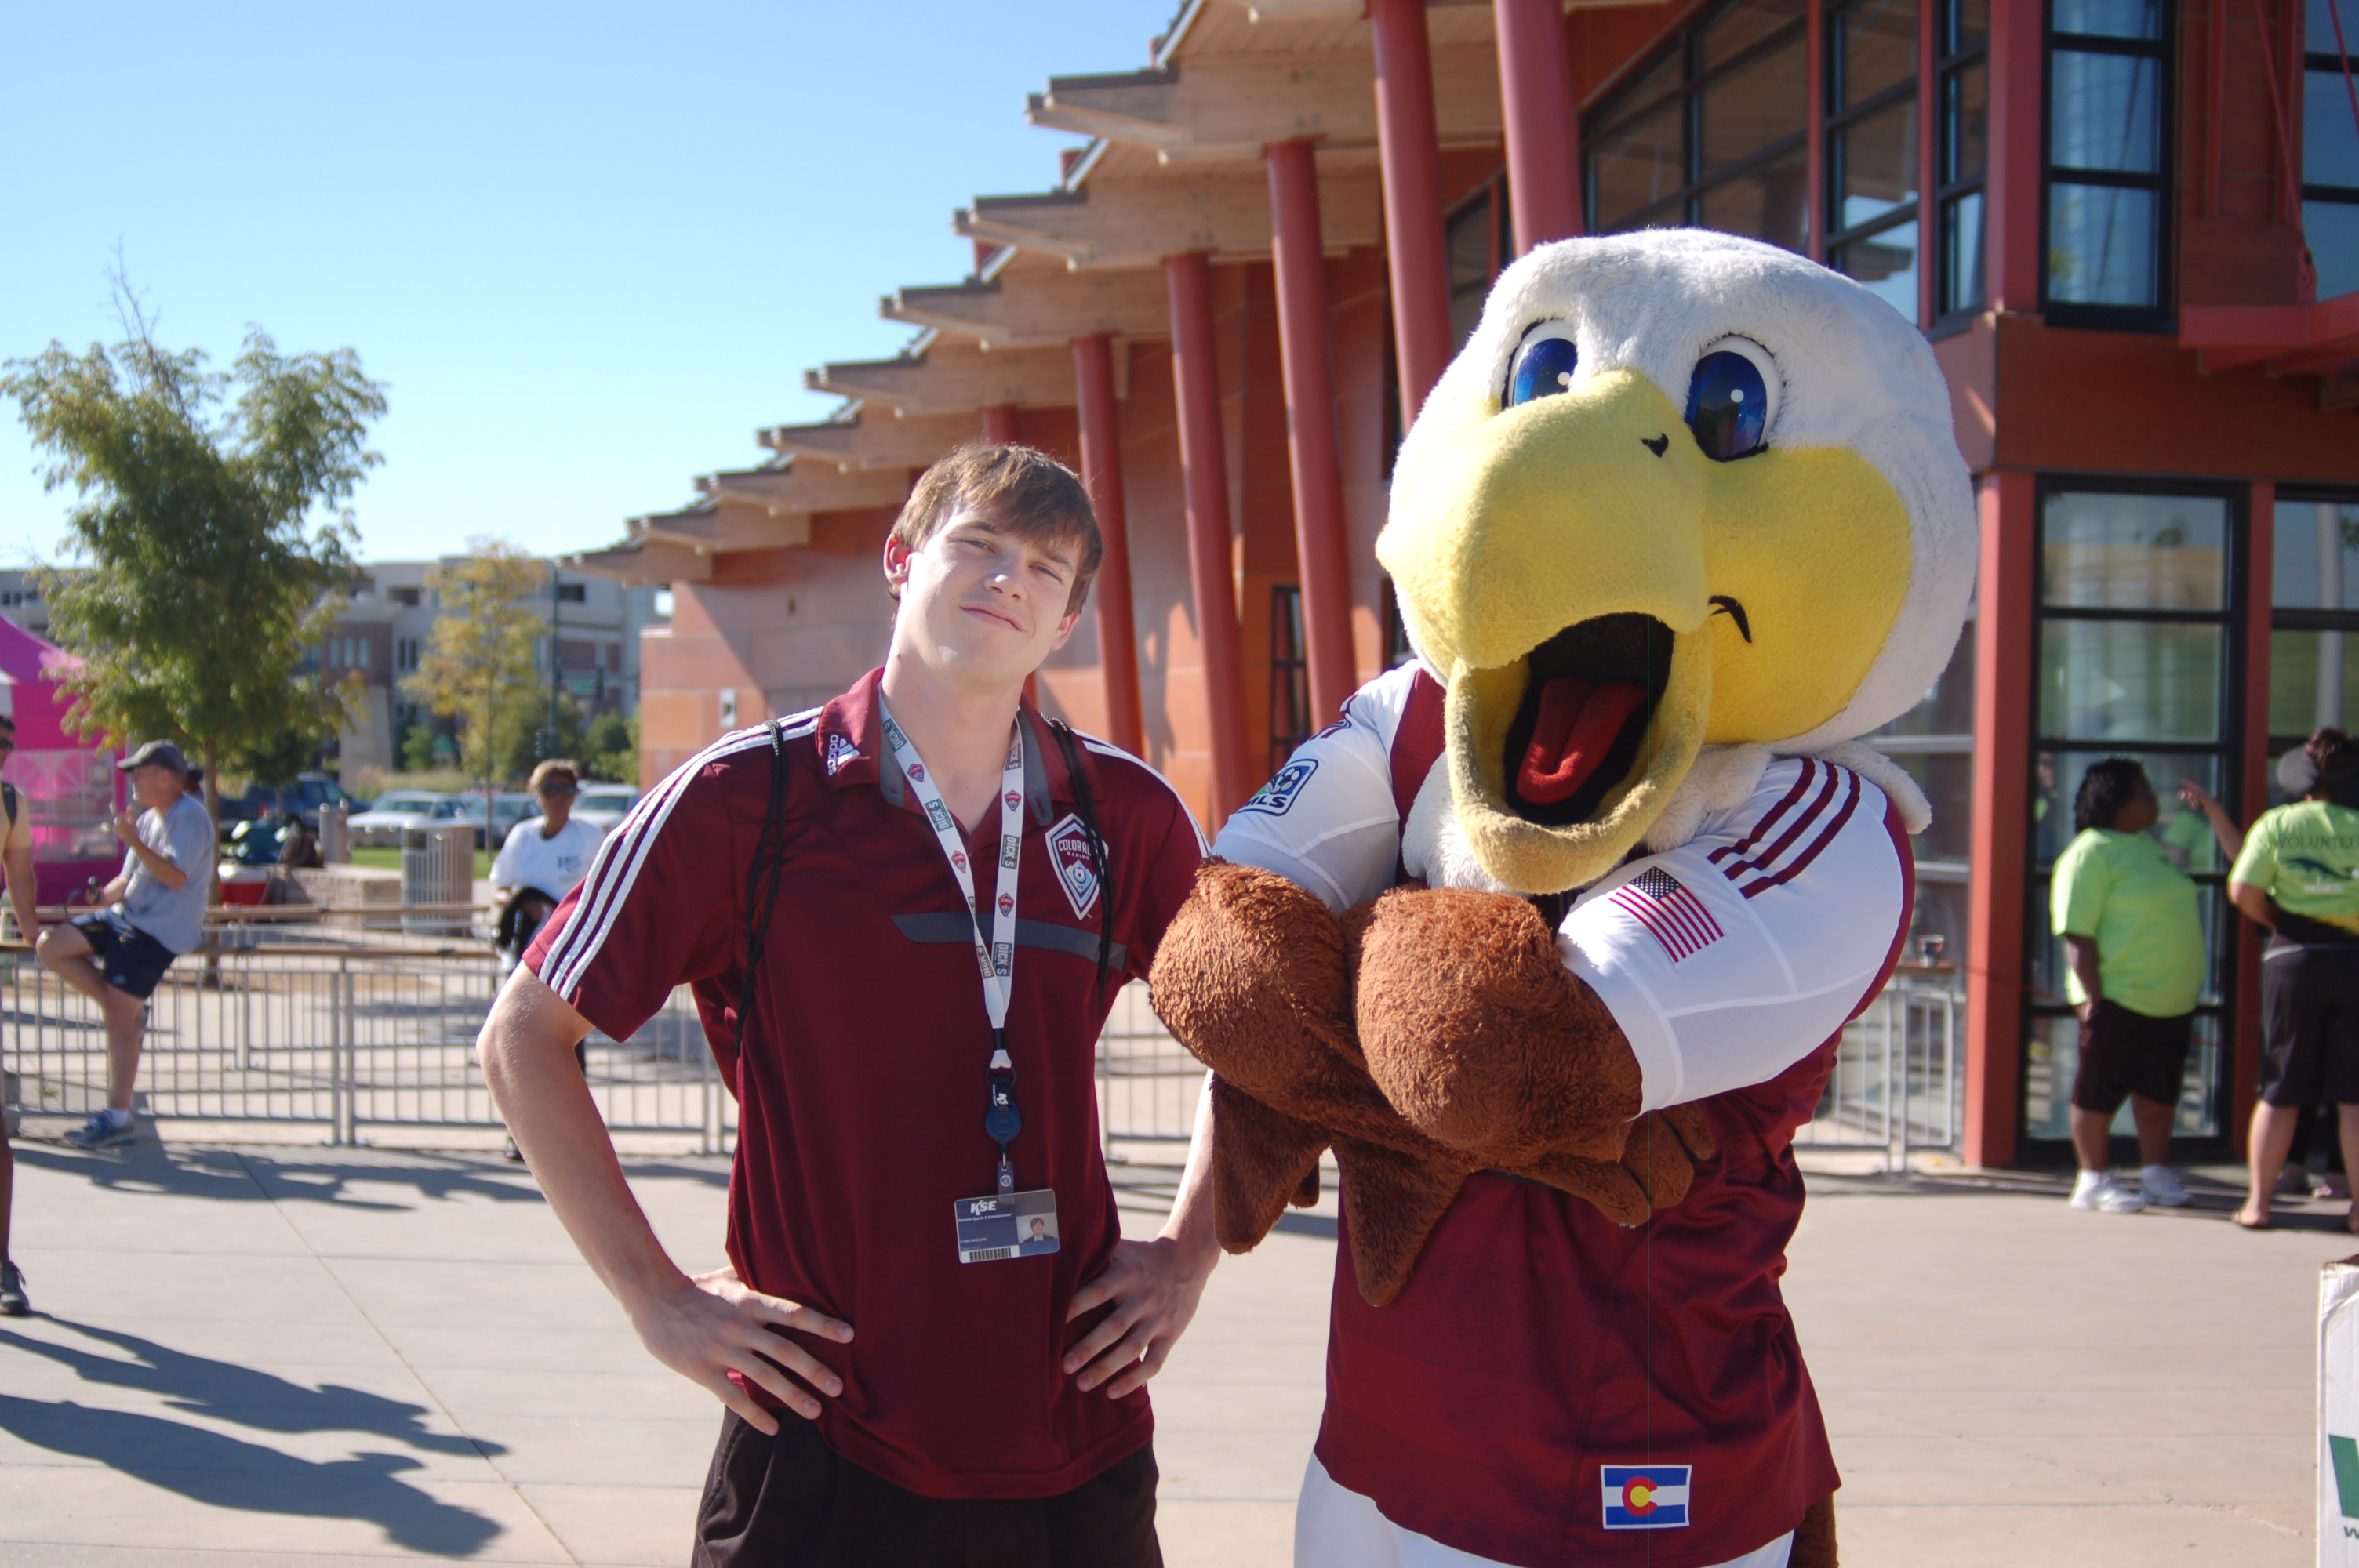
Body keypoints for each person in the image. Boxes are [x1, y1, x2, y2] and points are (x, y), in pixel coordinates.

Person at [476, 444, 1220, 1567]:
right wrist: (657, 1298)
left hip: (1074, 1433)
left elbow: (1259, 1054)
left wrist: (1188, 1254)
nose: (1007, 579)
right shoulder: (746, 800)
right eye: (977, 544)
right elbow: (525, 1037)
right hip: (825, 1435)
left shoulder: (1126, 813)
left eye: (1045, 568)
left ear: (1066, 621)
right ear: (899, 559)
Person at [2048, 760, 2238, 1214]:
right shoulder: (2089, 853)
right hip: (2118, 997)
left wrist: (2207, 814)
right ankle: (2092, 1179)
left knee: (2158, 1094)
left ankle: (2156, 1173)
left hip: (2169, 999)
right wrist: (2092, 997)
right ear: (2117, 803)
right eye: (2145, 794)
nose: (2155, 802)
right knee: (2097, 1094)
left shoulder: (2146, 847)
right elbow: (2077, 931)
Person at [36, 740, 212, 1152]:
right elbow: (126, 882)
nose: (131, 779)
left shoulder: (190, 817)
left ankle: (118, 1116)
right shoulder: (149, 818)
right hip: (124, 918)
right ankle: (129, 1011)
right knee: (50, 945)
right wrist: (103, 896)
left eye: (139, 771)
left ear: (165, 777)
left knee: (118, 1015)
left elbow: (174, 877)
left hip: (158, 932)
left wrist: (133, 841)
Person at [2231, 728, 2359, 1230]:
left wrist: (2278, 923)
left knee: (2281, 1087)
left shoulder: (2277, 824)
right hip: (2354, 961)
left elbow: (2242, 890)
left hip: (2293, 960)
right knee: (2355, 1096)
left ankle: (2258, 1204)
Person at [0, 716, 44, 1314]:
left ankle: (2, 1263)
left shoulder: (11, 802)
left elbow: (21, 870)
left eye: (5, 744)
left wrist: (35, 936)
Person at [491, 760, 603, 975]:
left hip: (571, 950)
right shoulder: (522, 835)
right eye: (549, 790)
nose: (558, 797)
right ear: (536, 794)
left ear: (574, 796)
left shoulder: (591, 837)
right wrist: (521, 904)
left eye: (566, 790)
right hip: (525, 950)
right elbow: (500, 888)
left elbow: (604, 891)